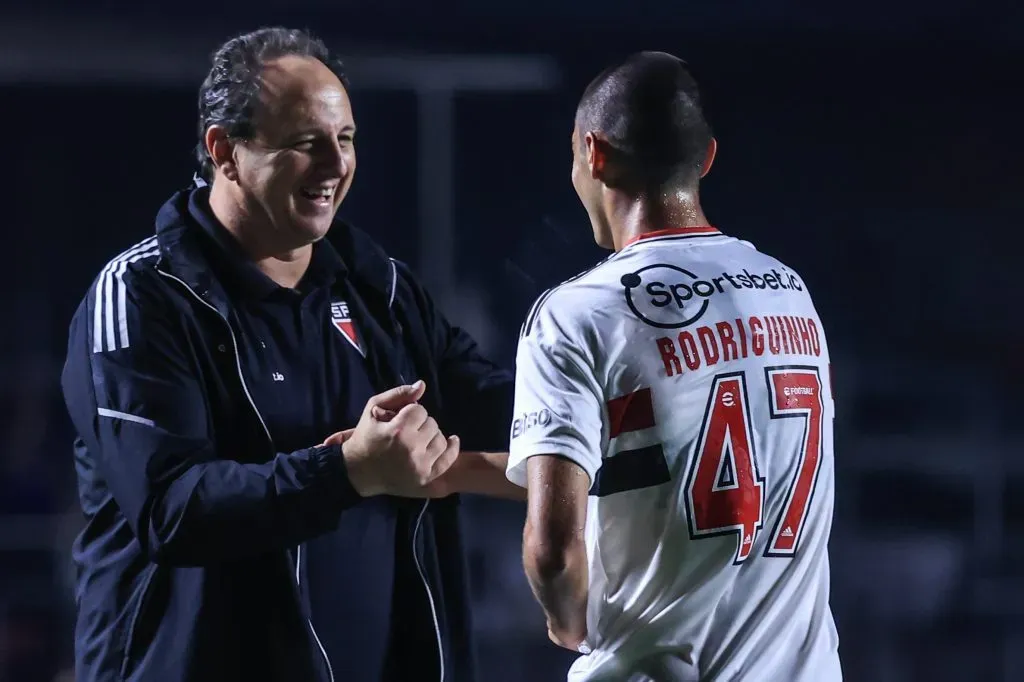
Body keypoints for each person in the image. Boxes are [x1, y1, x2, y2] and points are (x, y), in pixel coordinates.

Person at [61, 26, 521, 682]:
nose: (335, 166)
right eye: (306, 143)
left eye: (345, 139)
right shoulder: (141, 298)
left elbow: (488, 404)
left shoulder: (378, 288)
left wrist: (615, 387)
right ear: (225, 150)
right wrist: (346, 471)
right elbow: (173, 509)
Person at [505, 52, 842, 681]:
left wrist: (566, 620)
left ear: (593, 153)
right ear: (706, 158)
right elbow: (672, 462)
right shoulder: (789, 291)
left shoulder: (580, 313)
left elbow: (552, 552)